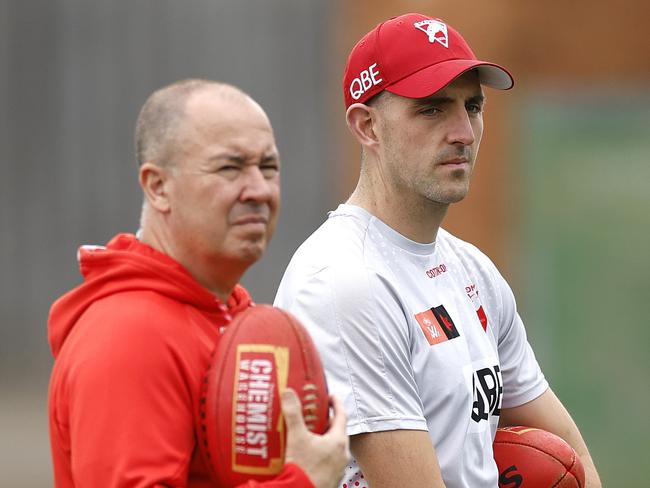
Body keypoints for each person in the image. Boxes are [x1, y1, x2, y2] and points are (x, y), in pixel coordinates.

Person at [274, 13, 601, 488]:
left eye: (473, 106)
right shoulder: (345, 280)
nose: (464, 133)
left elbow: (570, 450)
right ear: (367, 125)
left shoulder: (474, 271)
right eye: (432, 109)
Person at [47, 79, 349, 488]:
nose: (259, 189)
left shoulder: (226, 313)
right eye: (230, 167)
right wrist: (301, 482)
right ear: (158, 187)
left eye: (268, 166)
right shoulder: (130, 334)